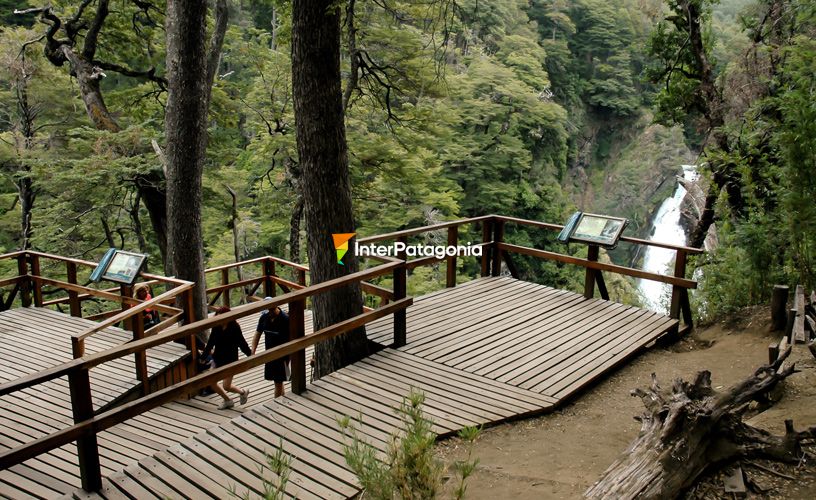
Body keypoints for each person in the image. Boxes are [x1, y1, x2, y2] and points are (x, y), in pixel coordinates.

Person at [202, 306, 251, 410]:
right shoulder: (216, 327)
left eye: (222, 318)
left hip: (230, 359)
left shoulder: (234, 327)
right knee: (211, 381)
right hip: (218, 358)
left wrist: (250, 355)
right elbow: (211, 343)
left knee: (226, 386)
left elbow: (242, 343)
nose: (220, 320)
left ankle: (242, 392)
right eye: (218, 318)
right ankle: (228, 400)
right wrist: (204, 356)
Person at [251, 298, 289, 398]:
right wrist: (253, 351)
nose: (269, 313)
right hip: (269, 353)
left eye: (270, 310)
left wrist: (289, 358)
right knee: (277, 382)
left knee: (278, 381)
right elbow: (257, 334)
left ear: (274, 307)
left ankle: (276, 405)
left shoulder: (285, 319)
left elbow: (292, 338)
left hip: (282, 355)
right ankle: (282, 400)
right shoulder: (264, 317)